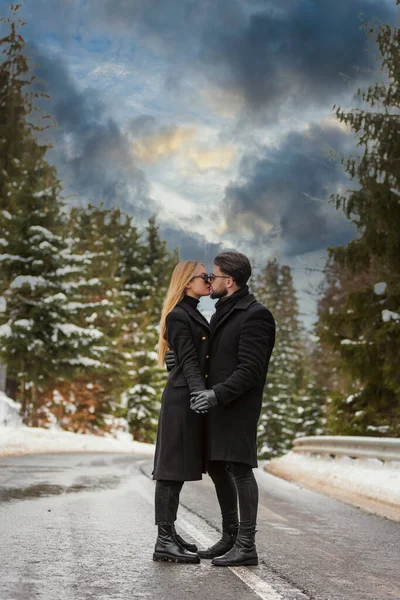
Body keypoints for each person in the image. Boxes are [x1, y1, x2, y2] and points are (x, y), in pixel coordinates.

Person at [167, 252, 275, 567]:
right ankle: (229, 537)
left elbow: (251, 370)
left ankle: (246, 545)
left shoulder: (256, 315)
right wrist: (174, 362)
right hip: (217, 404)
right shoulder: (222, 312)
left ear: (229, 281)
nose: (210, 281)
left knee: (240, 469)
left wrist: (216, 395)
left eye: (214, 276)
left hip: (237, 405)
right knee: (217, 467)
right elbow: (211, 357)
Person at [152, 260, 211, 564]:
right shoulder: (179, 315)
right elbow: (189, 360)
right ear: (188, 281)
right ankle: (163, 540)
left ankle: (170, 534)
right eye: (205, 276)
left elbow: (191, 356)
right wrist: (200, 393)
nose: (210, 280)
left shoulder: (191, 312)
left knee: (176, 470)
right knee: (170, 471)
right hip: (181, 400)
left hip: (185, 395)